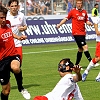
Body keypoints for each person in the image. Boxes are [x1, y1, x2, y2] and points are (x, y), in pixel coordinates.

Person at [0, 5, 26, 100]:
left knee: (16, 68)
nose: (3, 20)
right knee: (6, 91)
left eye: (4, 17)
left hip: (12, 55)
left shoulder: (8, 23)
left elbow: (10, 32)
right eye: (1, 18)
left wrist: (18, 37)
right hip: (1, 61)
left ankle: (20, 87)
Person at [6, 0, 31, 99]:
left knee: (17, 67)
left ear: (18, 6)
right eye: (12, 6)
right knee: (11, 68)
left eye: (15, 6)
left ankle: (20, 88)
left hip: (17, 44)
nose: (14, 8)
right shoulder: (5, 17)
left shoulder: (21, 15)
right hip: (7, 45)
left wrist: (23, 29)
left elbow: (25, 26)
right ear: (9, 7)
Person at [56, 0, 93, 66]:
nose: (79, 5)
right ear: (76, 4)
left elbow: (86, 21)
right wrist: (59, 24)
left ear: (82, 4)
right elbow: (66, 19)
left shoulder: (84, 12)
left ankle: (76, 64)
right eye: (78, 3)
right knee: (85, 46)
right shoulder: (73, 12)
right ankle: (92, 62)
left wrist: (89, 23)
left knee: (80, 49)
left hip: (83, 33)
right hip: (76, 33)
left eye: (80, 3)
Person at [82, 16, 100, 82]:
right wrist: (96, 28)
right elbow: (98, 33)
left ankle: (98, 77)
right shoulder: (98, 19)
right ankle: (86, 72)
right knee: (97, 59)